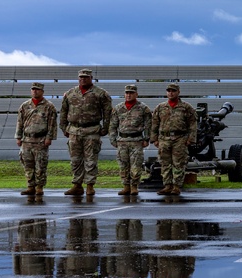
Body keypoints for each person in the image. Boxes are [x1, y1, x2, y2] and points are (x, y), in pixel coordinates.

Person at [59, 68, 112, 197]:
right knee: (75, 160)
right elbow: (63, 112)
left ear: (91, 78)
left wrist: (105, 128)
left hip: (92, 130)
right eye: (81, 77)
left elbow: (108, 113)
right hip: (74, 130)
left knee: (90, 160)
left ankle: (90, 186)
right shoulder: (70, 93)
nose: (83, 79)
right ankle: (77, 185)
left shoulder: (100, 94)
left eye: (86, 77)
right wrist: (64, 127)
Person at [149, 83, 197, 196]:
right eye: (169, 91)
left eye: (173, 91)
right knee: (165, 163)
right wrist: (154, 139)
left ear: (178, 92)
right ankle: (167, 185)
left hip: (180, 138)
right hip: (164, 138)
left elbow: (193, 124)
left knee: (178, 163)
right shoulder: (160, 107)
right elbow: (154, 123)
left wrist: (191, 139)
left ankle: (176, 186)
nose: (171, 93)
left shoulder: (186, 107)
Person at [15, 82, 58, 200]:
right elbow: (20, 122)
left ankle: (39, 187)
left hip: (41, 139)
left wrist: (49, 137)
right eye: (33, 89)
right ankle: (30, 186)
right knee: (28, 164)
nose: (35, 91)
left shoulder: (49, 106)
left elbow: (52, 123)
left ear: (42, 92)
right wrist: (18, 137)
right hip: (27, 139)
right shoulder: (25, 105)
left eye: (37, 90)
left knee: (40, 164)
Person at [108, 84, 152, 197]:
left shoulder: (143, 108)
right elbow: (112, 125)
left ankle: (134, 186)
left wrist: (147, 139)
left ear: (136, 94)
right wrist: (113, 139)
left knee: (136, 165)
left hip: (136, 140)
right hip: (122, 141)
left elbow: (148, 125)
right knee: (123, 165)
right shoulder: (118, 108)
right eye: (127, 93)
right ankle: (126, 186)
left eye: (131, 93)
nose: (129, 95)